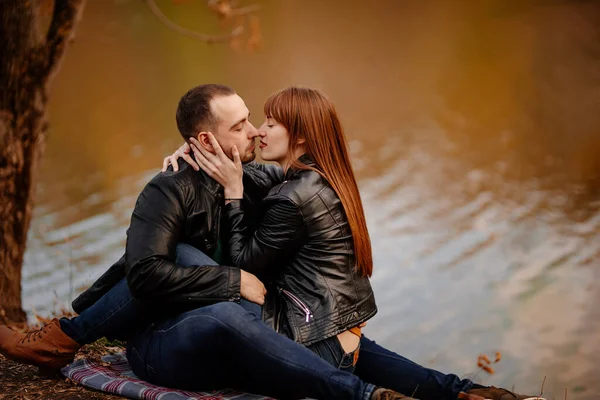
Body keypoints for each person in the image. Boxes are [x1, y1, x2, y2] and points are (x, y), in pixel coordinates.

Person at [0, 84, 544, 400]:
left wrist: (232, 193)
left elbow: (243, 266)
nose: (258, 132)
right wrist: (200, 163)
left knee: (183, 265)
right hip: (331, 326)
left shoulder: (295, 194)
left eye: (264, 123)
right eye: (246, 125)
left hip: (307, 333)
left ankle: (65, 333)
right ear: (209, 139)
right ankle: (462, 392)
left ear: (298, 137)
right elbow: (257, 179)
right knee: (178, 262)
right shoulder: (308, 177)